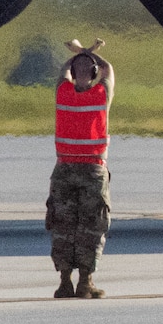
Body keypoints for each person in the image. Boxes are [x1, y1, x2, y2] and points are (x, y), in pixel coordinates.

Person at [47, 39, 115, 297]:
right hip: (93, 171)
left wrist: (77, 54)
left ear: (72, 74)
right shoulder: (101, 96)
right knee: (92, 226)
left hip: (64, 169)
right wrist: (90, 53)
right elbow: (109, 70)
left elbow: (63, 69)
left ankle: (64, 282)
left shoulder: (63, 93)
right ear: (94, 72)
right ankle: (86, 282)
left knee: (63, 225)